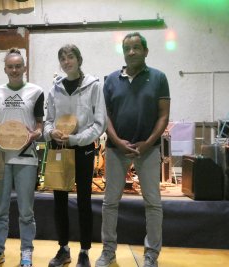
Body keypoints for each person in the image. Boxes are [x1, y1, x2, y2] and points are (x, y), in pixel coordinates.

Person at [95, 32, 170, 267]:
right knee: (110, 203)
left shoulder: (159, 78)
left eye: (136, 48)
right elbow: (105, 115)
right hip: (117, 150)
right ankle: (108, 252)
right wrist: (116, 141)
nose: (131, 52)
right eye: (127, 48)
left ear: (145, 51)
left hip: (148, 150)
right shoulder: (110, 80)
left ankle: (151, 255)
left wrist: (147, 143)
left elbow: (163, 115)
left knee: (153, 203)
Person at [44, 44, 107, 267]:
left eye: (70, 57)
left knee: (84, 201)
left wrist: (76, 139)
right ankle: (63, 249)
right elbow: (48, 120)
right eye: (62, 58)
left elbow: (99, 123)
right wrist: (50, 132)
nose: (66, 61)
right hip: (60, 148)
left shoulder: (94, 86)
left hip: (83, 148)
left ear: (79, 59)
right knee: (59, 201)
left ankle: (84, 251)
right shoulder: (54, 89)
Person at [0, 48, 44, 267]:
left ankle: (26, 252)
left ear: (24, 68)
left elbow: (39, 124)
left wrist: (36, 133)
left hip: (26, 156)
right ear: (5, 69)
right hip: (0, 155)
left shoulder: (36, 91)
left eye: (18, 66)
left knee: (26, 210)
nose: (15, 70)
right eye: (11, 66)